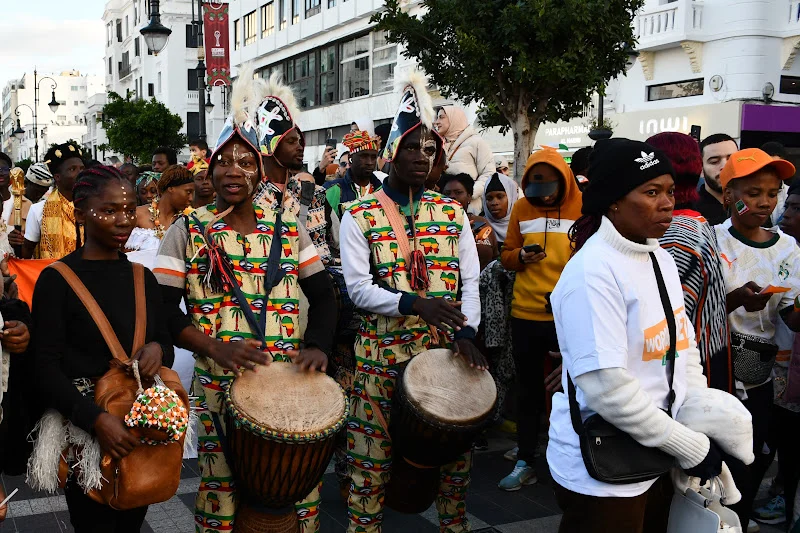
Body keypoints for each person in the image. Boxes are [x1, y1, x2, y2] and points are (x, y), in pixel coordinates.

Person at [154, 72, 337, 533]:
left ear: (259, 170)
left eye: (245, 162)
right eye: (224, 163)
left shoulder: (288, 225)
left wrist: (318, 343)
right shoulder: (187, 229)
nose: (234, 171)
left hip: (288, 383)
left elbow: (323, 293)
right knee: (221, 497)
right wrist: (213, 348)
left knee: (298, 498)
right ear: (210, 171)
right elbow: (160, 310)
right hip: (219, 387)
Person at [548, 138, 748, 533]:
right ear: (613, 201)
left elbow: (682, 344)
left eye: (670, 191)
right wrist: (688, 446)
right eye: (651, 192)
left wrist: (698, 416)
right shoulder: (593, 272)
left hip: (657, 451)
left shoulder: (657, 255)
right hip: (605, 469)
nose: (667, 203)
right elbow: (607, 390)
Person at [339, 73, 486, 533]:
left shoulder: (452, 211)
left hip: (444, 360)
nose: (421, 157)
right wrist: (413, 304)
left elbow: (471, 282)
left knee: (454, 470)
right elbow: (357, 288)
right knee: (370, 466)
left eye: (429, 150)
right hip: (380, 361)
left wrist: (466, 333)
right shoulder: (357, 214)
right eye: (410, 148)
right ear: (392, 153)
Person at [30, 165, 175, 532]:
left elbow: (165, 342)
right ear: (79, 214)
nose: (123, 220)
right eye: (108, 210)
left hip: (139, 427)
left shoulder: (143, 276)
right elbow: (44, 366)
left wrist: (158, 348)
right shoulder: (56, 280)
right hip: (86, 433)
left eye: (129, 209)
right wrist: (95, 420)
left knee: (131, 521)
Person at [714, 148, 800, 527]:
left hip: (757, 379)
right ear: (729, 194)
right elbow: (689, 312)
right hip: (713, 376)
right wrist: (734, 300)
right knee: (708, 467)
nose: (765, 202)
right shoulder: (709, 239)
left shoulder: (787, 248)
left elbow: (790, 317)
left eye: (773, 192)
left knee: (746, 467)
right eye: (753, 193)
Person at [498, 146, 582, 490]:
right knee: (530, 390)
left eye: (549, 186)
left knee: (574, 390)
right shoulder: (520, 207)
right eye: (535, 186)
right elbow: (505, 256)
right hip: (526, 314)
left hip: (569, 317)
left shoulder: (582, 208)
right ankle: (526, 459)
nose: (543, 195)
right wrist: (521, 256)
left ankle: (575, 461)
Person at [647, 132, 733, 393]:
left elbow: (667, 320)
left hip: (690, 367)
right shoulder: (692, 221)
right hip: (707, 353)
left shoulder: (675, 232)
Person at [250, 72, 335, 266]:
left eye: (299, 140)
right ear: (271, 145)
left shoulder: (316, 194)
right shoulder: (248, 196)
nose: (300, 146)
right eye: (291, 141)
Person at [753, 180, 800, 528]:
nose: (786, 214)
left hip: (793, 368)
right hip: (772, 361)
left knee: (791, 436)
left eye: (797, 209)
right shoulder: (782, 248)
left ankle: (786, 494)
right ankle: (781, 487)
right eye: (790, 205)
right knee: (777, 432)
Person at [22, 142, 85, 260]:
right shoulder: (38, 210)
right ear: (57, 177)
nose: (80, 173)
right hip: (53, 275)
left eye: (82, 168)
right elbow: (27, 250)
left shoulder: (93, 206)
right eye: (73, 169)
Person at [434, 105, 495, 214]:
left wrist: (469, 194)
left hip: (470, 208)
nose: (436, 122)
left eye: (441, 117)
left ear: (455, 119)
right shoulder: (437, 145)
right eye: (437, 118)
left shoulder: (476, 142)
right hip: (442, 208)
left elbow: (489, 173)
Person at [442, 172, 498, 271]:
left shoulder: (482, 223)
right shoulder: (437, 225)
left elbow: (494, 257)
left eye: (458, 192)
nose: (452, 197)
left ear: (469, 196)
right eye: (447, 193)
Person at [325, 130, 383, 220]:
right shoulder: (334, 189)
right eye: (364, 156)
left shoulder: (382, 191)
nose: (370, 162)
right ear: (350, 158)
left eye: (373, 157)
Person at [132, 165, 193, 243]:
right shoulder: (138, 215)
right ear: (171, 188)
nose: (191, 198)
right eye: (188, 192)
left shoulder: (189, 220)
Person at [694, 134, 738, 225]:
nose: (725, 166)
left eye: (731, 160)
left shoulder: (752, 205)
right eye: (714, 162)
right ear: (701, 169)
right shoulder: (692, 214)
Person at [483, 172, 519, 250]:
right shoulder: (479, 227)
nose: (494, 203)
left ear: (511, 198)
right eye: (489, 198)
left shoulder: (523, 226)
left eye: (500, 197)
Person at [762, 141, 792, 226]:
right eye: (768, 166)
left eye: (777, 166)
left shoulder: (790, 194)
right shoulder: (747, 193)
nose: (772, 172)